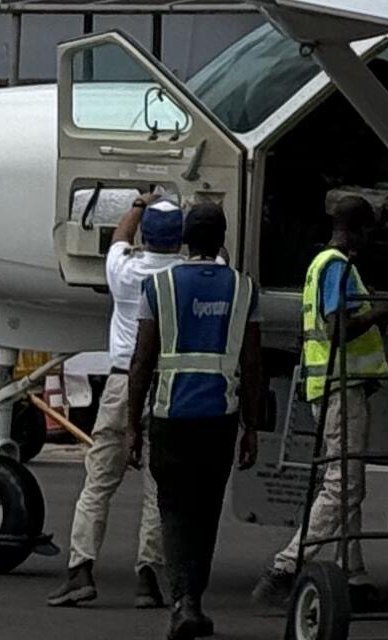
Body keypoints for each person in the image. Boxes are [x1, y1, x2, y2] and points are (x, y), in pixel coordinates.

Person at [127, 197, 252, 640]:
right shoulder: (243, 288)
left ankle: (182, 602)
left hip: (170, 416)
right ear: (222, 240)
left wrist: (132, 426)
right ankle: (194, 600)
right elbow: (251, 361)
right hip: (220, 418)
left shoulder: (157, 287)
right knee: (206, 511)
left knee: (174, 510)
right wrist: (252, 426)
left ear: (184, 239)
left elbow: (142, 361)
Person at [51, 198, 179, 608]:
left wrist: (138, 204)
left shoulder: (125, 270)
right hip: (167, 386)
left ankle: (81, 569)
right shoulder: (184, 275)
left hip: (123, 382)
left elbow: (120, 237)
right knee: (158, 488)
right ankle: (147, 576)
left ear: (147, 235)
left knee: (99, 481)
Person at [268, 196, 388, 597]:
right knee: (345, 486)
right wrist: (381, 311)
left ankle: (353, 575)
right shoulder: (338, 267)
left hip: (330, 385)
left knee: (345, 482)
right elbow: (337, 330)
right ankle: (287, 565)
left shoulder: (320, 264)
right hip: (341, 385)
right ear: (358, 230)